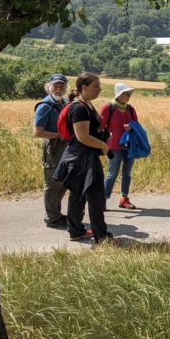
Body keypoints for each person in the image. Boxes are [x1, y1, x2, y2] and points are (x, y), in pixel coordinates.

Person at [53, 72, 113, 243]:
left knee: (77, 195)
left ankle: (76, 231)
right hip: (83, 159)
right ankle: (102, 238)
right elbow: (82, 137)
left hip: (78, 158)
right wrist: (103, 146)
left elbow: (90, 132)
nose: (100, 89)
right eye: (96, 86)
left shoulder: (87, 105)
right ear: (84, 87)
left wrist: (104, 135)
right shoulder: (79, 108)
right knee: (95, 197)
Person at [33, 73, 70, 229]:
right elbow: (37, 132)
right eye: (55, 85)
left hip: (65, 146)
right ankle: (52, 218)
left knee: (63, 180)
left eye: (61, 85)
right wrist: (59, 135)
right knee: (52, 182)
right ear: (49, 87)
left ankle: (56, 214)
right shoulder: (44, 106)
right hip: (53, 148)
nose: (58, 88)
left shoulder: (65, 102)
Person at [101, 82, 139, 210]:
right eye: (126, 93)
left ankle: (124, 199)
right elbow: (101, 128)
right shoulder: (108, 107)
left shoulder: (130, 109)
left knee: (127, 173)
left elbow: (137, 126)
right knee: (112, 174)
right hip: (113, 147)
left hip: (129, 146)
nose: (129, 96)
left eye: (130, 94)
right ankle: (102, 200)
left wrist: (132, 127)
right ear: (119, 94)